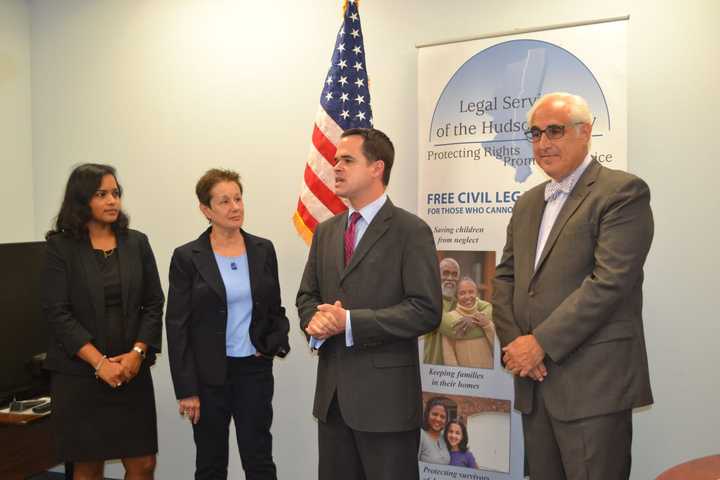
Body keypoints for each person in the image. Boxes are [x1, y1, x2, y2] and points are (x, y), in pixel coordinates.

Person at [492, 92, 654, 480]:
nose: (543, 143)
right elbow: (505, 279)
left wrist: (539, 344)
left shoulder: (621, 193)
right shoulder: (528, 203)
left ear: (585, 133)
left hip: (593, 386)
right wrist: (517, 345)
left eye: (555, 131)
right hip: (535, 383)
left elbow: (609, 283)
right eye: (535, 133)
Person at [296, 127, 442, 480]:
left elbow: (426, 309)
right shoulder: (327, 231)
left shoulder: (411, 231)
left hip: (386, 407)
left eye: (347, 160)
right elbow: (307, 297)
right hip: (332, 403)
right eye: (335, 161)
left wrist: (350, 323)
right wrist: (313, 322)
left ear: (377, 168)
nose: (336, 168)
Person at [42, 163, 164, 480]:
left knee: (143, 464)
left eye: (115, 193)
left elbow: (153, 303)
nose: (112, 201)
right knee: (87, 466)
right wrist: (100, 364)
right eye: (101, 194)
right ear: (82, 201)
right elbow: (58, 312)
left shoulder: (137, 242)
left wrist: (137, 354)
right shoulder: (60, 248)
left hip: (130, 370)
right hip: (80, 375)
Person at [166, 169, 290, 480]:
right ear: (205, 210)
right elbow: (176, 326)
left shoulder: (263, 249)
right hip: (207, 378)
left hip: (253, 371)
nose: (235, 207)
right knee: (210, 464)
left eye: (238, 198)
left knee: (259, 459)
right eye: (224, 201)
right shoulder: (187, 257)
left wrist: (272, 345)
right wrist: (187, 389)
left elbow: (274, 308)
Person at [440, 277, 495, 369]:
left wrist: (487, 325)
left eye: (471, 292)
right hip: (465, 378)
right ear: (456, 296)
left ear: (476, 294)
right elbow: (448, 354)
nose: (467, 296)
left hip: (487, 375)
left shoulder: (485, 316)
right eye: (462, 293)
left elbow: (496, 345)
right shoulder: (450, 319)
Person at [423, 257, 460, 364]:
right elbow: (453, 329)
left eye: (454, 274)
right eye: (446, 273)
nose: (450, 278)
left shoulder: (461, 304)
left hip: (458, 371)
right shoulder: (428, 301)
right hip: (433, 369)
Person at [418, 397, 450, 465]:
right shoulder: (420, 435)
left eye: (442, 417)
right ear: (427, 414)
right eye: (435, 414)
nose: (438, 419)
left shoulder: (445, 437)